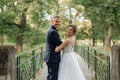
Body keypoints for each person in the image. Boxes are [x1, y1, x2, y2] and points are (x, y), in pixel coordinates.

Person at [44, 15, 62, 80]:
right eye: (56, 21)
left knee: (50, 75)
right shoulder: (53, 32)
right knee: (53, 77)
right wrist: (67, 42)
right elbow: (60, 44)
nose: (58, 23)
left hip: (49, 57)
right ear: (52, 21)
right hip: (53, 58)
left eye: (59, 22)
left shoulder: (51, 30)